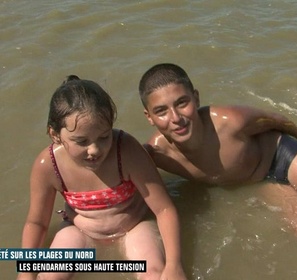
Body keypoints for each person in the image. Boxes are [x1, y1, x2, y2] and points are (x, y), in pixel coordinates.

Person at [138, 63, 297, 244]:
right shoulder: (156, 154)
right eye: (161, 111)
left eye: (182, 103)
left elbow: (274, 120)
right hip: (261, 181)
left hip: (280, 155)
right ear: (149, 117)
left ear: (196, 98)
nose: (175, 118)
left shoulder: (230, 121)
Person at [17, 75, 187, 280]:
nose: (95, 149)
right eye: (81, 141)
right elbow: (37, 223)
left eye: (104, 136)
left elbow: (164, 209)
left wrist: (174, 265)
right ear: (55, 135)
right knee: (48, 276)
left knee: (154, 274)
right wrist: (25, 273)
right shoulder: (49, 165)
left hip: (133, 227)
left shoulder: (126, 150)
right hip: (80, 231)